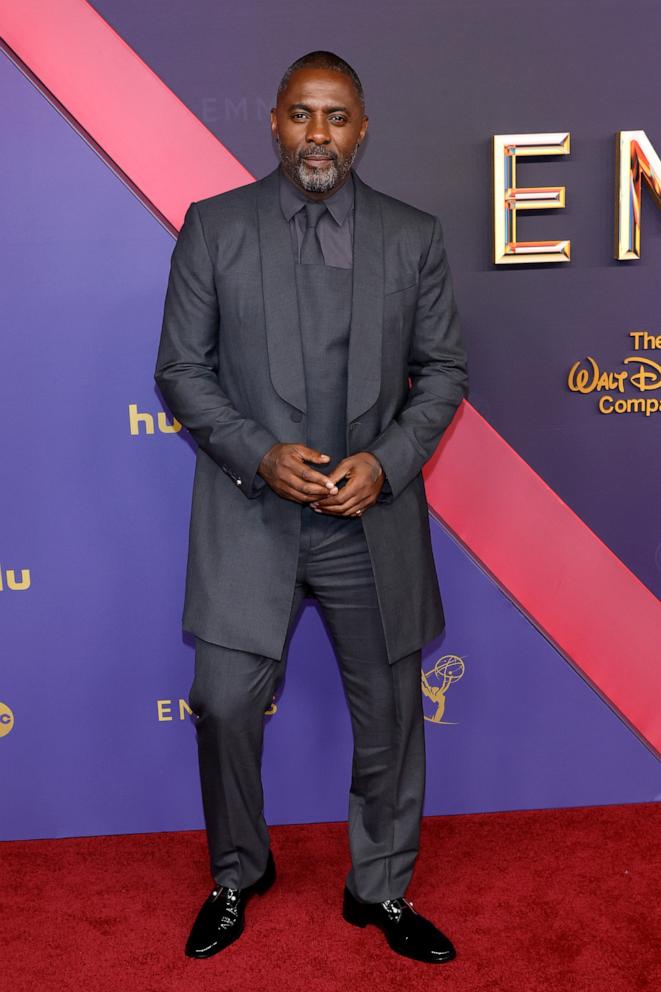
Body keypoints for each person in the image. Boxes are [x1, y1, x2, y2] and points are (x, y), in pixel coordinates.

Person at [154, 50, 468, 965]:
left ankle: (379, 887)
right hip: (253, 516)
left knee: (392, 713)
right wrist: (257, 452)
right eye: (301, 114)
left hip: (369, 521)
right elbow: (180, 368)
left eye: (335, 117)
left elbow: (443, 370)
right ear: (276, 123)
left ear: (362, 128)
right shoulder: (214, 227)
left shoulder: (413, 237)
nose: (317, 134)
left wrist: (388, 461)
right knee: (221, 702)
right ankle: (238, 870)